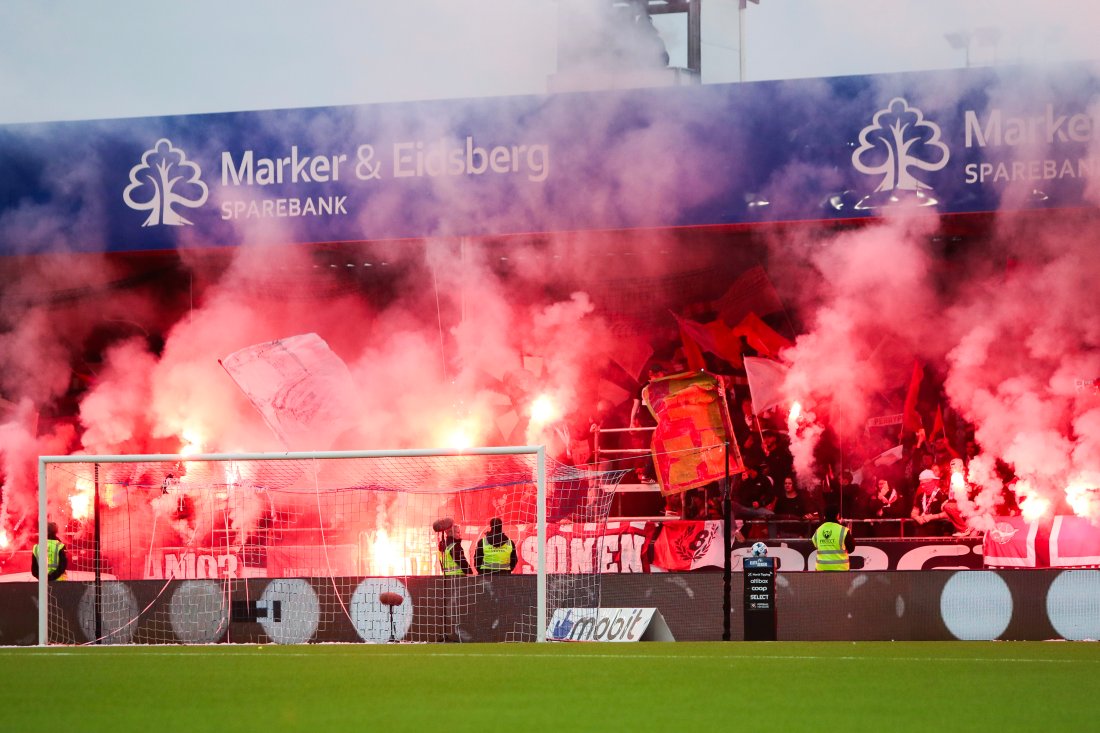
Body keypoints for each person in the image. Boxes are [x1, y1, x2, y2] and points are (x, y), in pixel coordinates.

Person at [811, 504, 854, 571]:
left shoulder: (818, 530)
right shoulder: (843, 530)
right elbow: (851, 549)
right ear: (837, 515)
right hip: (841, 570)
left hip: (821, 569)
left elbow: (815, 545)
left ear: (825, 516)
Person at [910, 469, 952, 536]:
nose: (921, 485)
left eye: (923, 483)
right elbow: (914, 512)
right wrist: (917, 518)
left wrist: (931, 517)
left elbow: (947, 513)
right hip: (921, 531)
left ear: (931, 481)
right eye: (920, 482)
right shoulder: (921, 495)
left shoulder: (941, 495)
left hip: (936, 531)